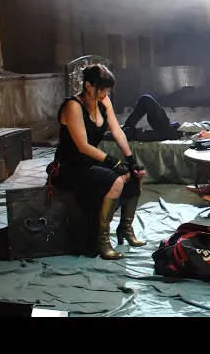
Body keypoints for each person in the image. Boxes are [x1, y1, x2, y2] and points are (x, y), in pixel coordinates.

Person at [51, 64, 147, 260]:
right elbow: (82, 146)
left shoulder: (104, 102)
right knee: (117, 180)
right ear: (89, 86)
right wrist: (113, 161)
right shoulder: (73, 106)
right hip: (70, 165)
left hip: (90, 160)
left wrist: (131, 160)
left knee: (136, 174)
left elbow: (117, 132)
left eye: (107, 90)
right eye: (102, 90)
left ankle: (125, 228)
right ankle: (101, 240)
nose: (105, 94)